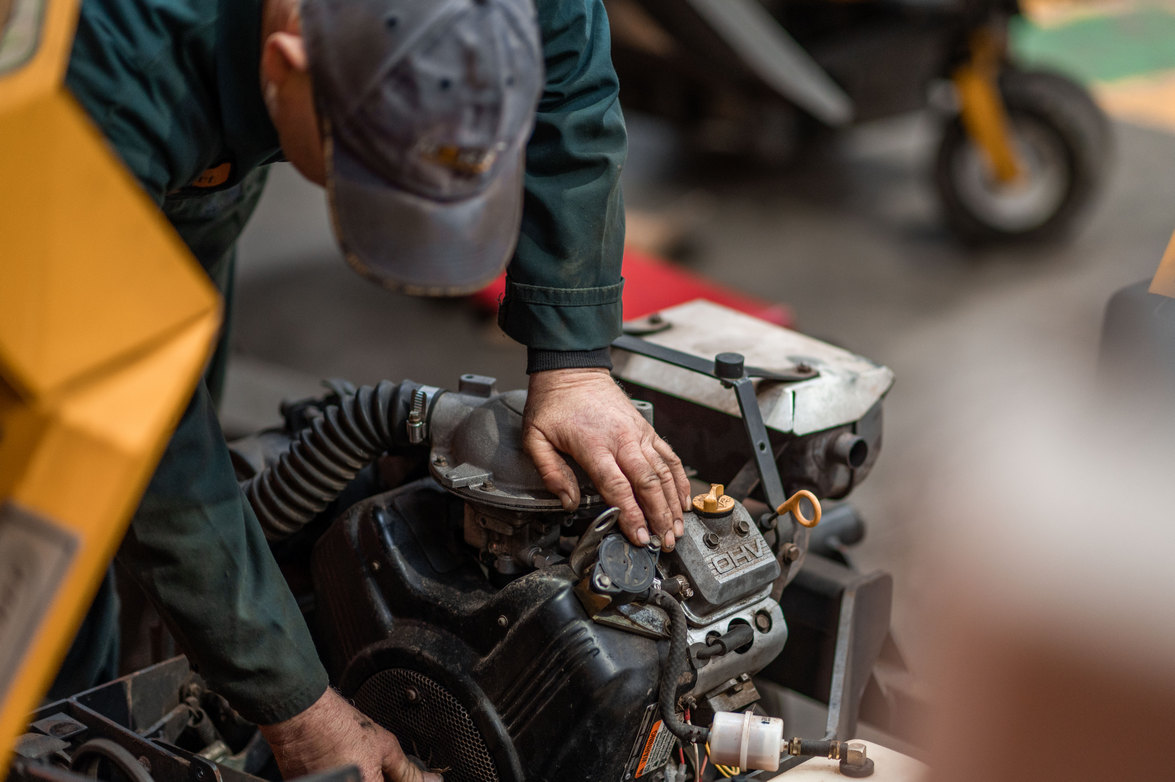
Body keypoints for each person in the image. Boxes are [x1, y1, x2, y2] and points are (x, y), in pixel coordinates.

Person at [62, 0, 691, 780]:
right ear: (285, 67)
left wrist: (574, 361)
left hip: (197, 167)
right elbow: (135, 412)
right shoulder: (107, 68)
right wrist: (297, 707)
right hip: (58, 184)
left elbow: (572, 77)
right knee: (66, 527)